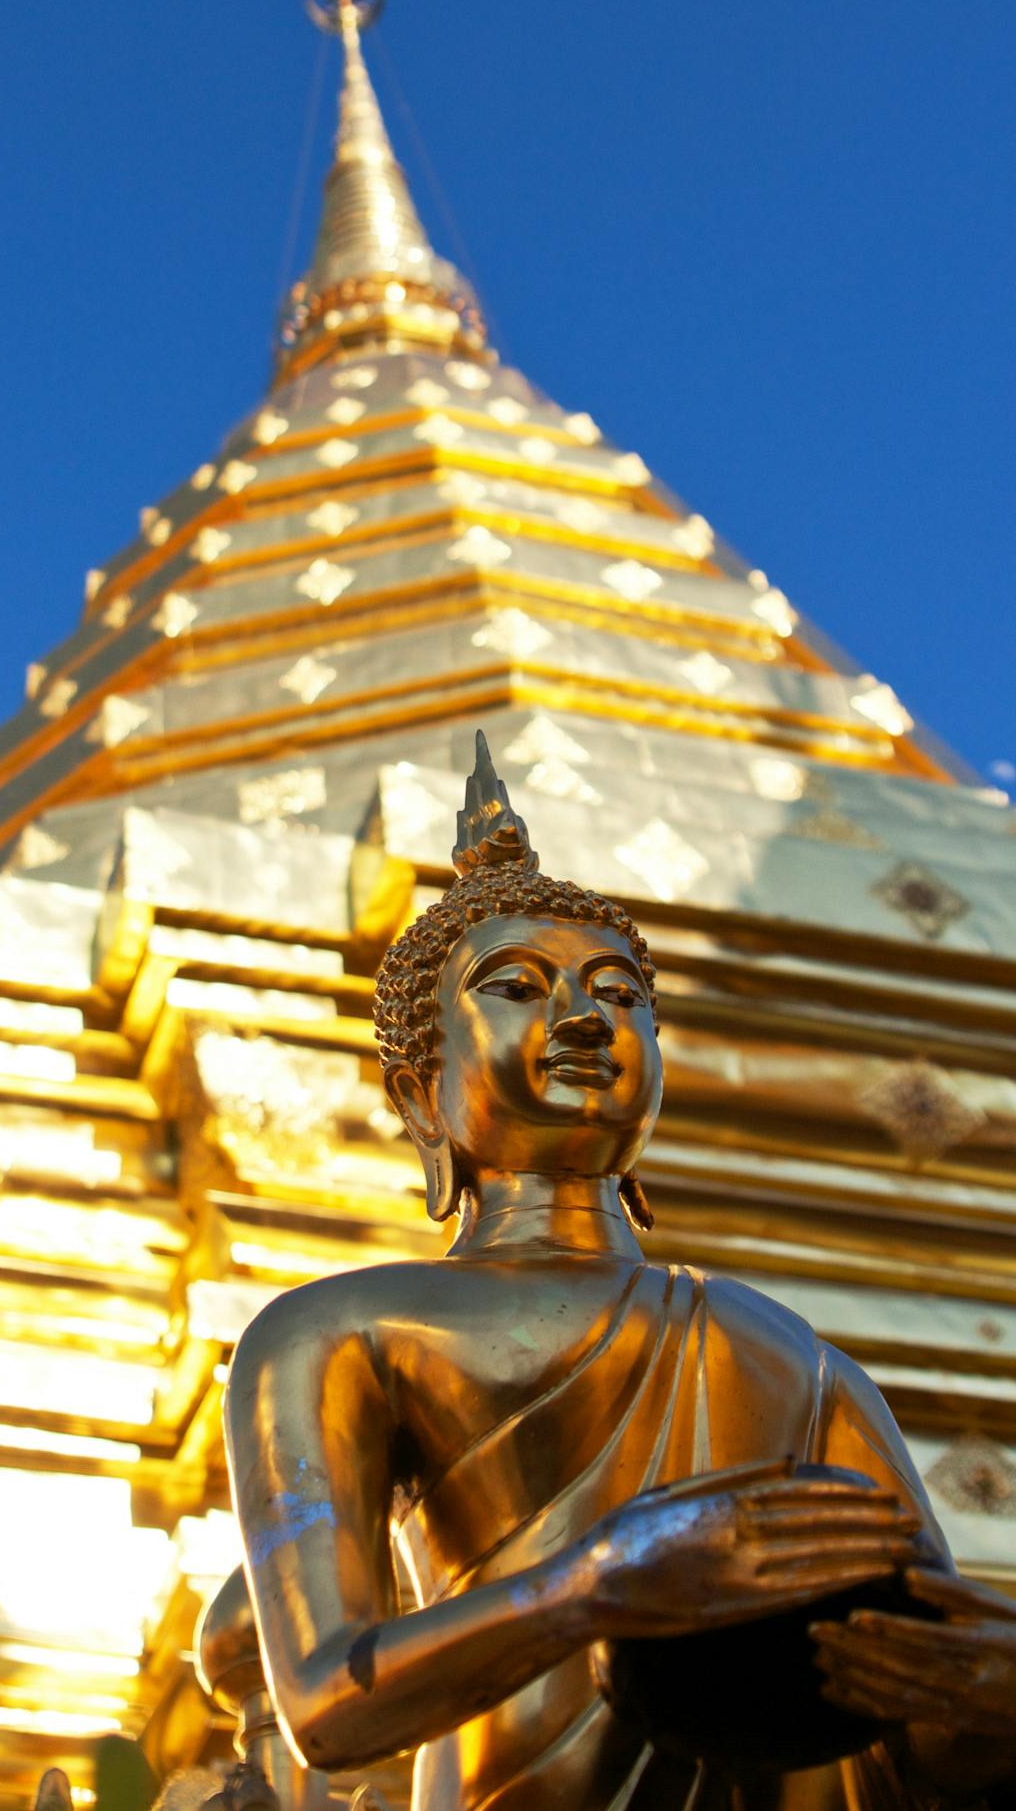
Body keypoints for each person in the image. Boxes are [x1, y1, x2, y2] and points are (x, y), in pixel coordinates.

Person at [225, 736, 1016, 1807]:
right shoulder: (344, 1331)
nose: (584, 1017)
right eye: (517, 985)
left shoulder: (778, 1350)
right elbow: (326, 1704)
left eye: (617, 991)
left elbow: (901, 1739)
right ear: (420, 1094)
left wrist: (987, 1690)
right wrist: (587, 1586)